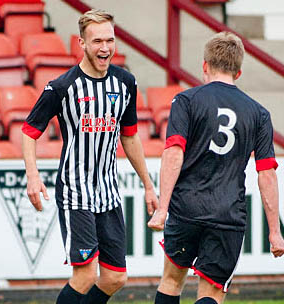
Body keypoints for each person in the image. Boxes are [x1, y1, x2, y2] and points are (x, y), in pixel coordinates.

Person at [22, 9, 159, 304]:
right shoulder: (62, 87)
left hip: (108, 192)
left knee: (115, 277)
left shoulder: (126, 83)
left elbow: (130, 135)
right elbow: (28, 132)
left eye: (110, 40)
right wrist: (33, 177)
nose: (105, 48)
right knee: (84, 276)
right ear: (81, 43)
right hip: (75, 192)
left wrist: (148, 184)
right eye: (97, 41)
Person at [147, 31, 284, 304]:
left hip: (186, 208)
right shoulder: (258, 114)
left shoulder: (186, 101)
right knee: (210, 293)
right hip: (227, 214)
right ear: (239, 72)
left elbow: (174, 154)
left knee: (172, 281)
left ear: (205, 66)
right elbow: (266, 173)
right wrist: (275, 232)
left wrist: (162, 208)